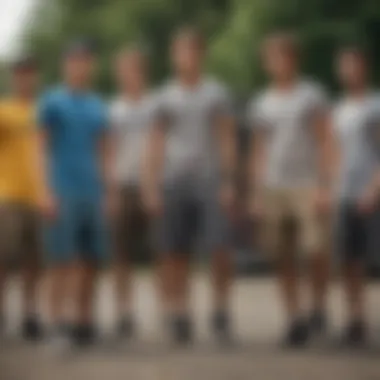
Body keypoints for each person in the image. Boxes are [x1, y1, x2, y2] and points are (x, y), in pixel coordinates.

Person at [142, 27, 237, 344]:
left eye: (193, 51)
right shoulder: (164, 96)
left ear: (201, 55)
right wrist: (152, 187)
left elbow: (226, 138)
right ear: (174, 55)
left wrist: (228, 181)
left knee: (220, 248)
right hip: (173, 179)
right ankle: (180, 312)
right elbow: (155, 143)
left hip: (209, 178)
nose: (187, 57)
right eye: (181, 51)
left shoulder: (216, 93)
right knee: (174, 251)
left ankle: (221, 311)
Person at [247, 32, 335, 346]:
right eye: (270, 57)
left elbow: (326, 140)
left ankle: (319, 306)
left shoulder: (311, 95)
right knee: (282, 256)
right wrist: (256, 192)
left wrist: (325, 185)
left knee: (315, 249)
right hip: (274, 185)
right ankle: (293, 317)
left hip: (307, 183)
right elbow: (258, 150)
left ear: (293, 59)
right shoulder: (262, 102)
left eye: (281, 55)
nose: (275, 62)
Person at [38, 40, 111, 347]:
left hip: (92, 191)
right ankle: (57, 323)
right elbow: (39, 147)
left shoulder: (97, 104)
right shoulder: (53, 102)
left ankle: (84, 321)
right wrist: (45, 190)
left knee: (90, 261)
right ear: (65, 65)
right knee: (61, 261)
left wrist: (108, 190)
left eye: (84, 60)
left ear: (90, 65)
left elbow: (104, 150)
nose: (79, 66)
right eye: (73, 60)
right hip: (62, 190)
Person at [333, 45, 380, 346]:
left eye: (353, 65)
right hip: (344, 193)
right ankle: (355, 319)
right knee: (350, 261)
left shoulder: (375, 106)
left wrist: (374, 189)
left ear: (364, 67)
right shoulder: (338, 109)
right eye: (343, 66)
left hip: (370, 192)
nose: (348, 71)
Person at [109, 47, 154, 339]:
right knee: (121, 255)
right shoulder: (112, 109)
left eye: (134, 69)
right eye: (124, 69)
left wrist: (155, 186)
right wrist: (110, 190)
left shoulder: (155, 107)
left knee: (162, 252)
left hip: (152, 185)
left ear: (143, 72)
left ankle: (168, 312)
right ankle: (124, 312)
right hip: (123, 185)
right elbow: (107, 151)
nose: (129, 75)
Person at [0, 56, 44, 340]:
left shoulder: (44, 111)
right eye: (20, 75)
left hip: (39, 197)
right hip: (9, 195)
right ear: (13, 79)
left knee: (34, 262)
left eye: (29, 75)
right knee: (4, 259)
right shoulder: (4, 111)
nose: (24, 80)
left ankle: (30, 314)